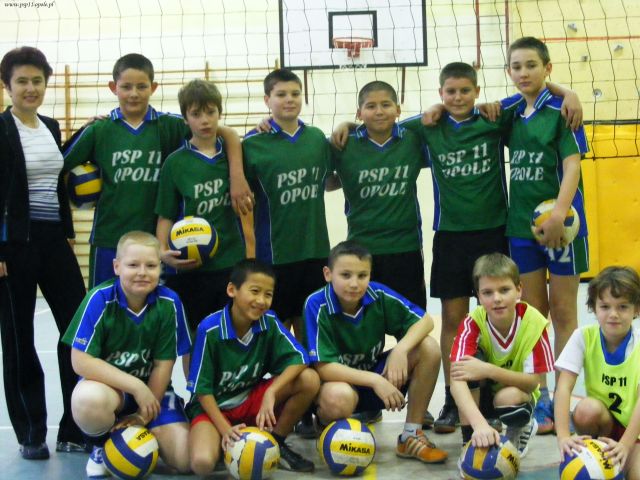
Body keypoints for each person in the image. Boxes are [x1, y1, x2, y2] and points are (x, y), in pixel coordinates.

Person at [63, 53, 252, 288]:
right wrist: (73, 205)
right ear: (113, 87)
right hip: (109, 237)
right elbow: (59, 166)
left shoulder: (170, 125)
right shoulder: (99, 130)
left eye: (142, 86)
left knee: (154, 304)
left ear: (153, 88)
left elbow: (227, 134)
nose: (134, 93)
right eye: (126, 87)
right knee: (106, 301)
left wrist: (237, 176)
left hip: (154, 240)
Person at [0, 46, 87, 459]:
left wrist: (66, 232)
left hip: (53, 241)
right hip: (12, 246)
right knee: (19, 339)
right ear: (7, 86)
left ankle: (75, 427)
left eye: (37, 80)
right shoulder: (1, 130)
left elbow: (58, 183)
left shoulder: (50, 127)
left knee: (77, 329)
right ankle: (31, 432)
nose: (30, 88)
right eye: (22, 81)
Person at [504, 36, 589, 433]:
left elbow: (572, 165)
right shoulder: (510, 112)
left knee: (565, 314)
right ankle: (539, 397)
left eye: (532, 65)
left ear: (547, 68)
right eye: (516, 66)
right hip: (522, 227)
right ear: (508, 71)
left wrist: (558, 213)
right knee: (534, 315)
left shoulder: (562, 111)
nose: (524, 73)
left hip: (563, 227)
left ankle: (563, 397)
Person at [302, 241, 448, 464]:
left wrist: (401, 349)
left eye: (362, 275)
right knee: (338, 397)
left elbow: (425, 321)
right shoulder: (316, 304)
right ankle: (328, 429)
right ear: (328, 274)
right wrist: (375, 381)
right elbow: (324, 368)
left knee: (428, 347)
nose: (354, 283)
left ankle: (410, 436)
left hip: (375, 378)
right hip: (340, 385)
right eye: (346, 275)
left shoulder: (377, 294)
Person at [62, 231, 192, 478]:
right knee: (87, 400)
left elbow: (164, 363)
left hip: (154, 391)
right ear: (117, 266)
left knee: (185, 461)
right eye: (133, 265)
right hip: (112, 391)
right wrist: (135, 386)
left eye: (151, 265)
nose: (142, 272)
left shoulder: (169, 303)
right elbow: (80, 361)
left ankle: (143, 434)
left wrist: (144, 413)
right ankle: (102, 445)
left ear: (160, 268)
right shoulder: (99, 299)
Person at [186, 259, 319, 476]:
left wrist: (272, 392)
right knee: (202, 463)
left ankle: (275, 443)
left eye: (268, 294)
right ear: (232, 290)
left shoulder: (269, 322)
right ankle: (226, 443)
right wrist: (225, 429)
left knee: (309, 379)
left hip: (250, 401)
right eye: (255, 291)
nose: (261, 301)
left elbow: (301, 358)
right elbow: (202, 391)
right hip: (214, 409)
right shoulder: (209, 329)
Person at [242, 68, 331, 338]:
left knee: (310, 333)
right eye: (281, 94)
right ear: (267, 100)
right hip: (274, 255)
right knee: (274, 335)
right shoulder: (252, 143)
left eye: (295, 93)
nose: (289, 99)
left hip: (314, 252)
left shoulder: (317, 138)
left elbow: (331, 180)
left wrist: (347, 126)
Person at [155, 79, 246, 331]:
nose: (204, 120)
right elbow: (165, 215)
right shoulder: (175, 163)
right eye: (196, 114)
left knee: (230, 331)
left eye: (210, 112)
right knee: (194, 335)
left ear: (220, 113)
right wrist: (162, 251)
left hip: (229, 260)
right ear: (185, 119)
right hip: (190, 266)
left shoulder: (234, 155)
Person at [450, 253, 554, 458]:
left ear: (519, 290)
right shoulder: (473, 322)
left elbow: (532, 383)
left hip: (516, 393)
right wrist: (479, 425)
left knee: (507, 397)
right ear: (478, 296)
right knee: (466, 368)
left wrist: (488, 370)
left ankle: (520, 429)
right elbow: (456, 381)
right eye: (487, 292)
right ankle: (469, 440)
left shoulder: (534, 323)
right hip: (483, 395)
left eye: (504, 290)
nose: (496, 298)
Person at [555, 266, 640, 477]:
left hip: (635, 429)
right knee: (585, 410)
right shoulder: (583, 336)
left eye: (622, 307)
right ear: (593, 307)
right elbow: (563, 387)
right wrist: (563, 436)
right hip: (605, 421)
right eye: (605, 306)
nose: (613, 314)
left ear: (636, 309)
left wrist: (626, 445)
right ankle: (595, 447)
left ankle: (621, 456)